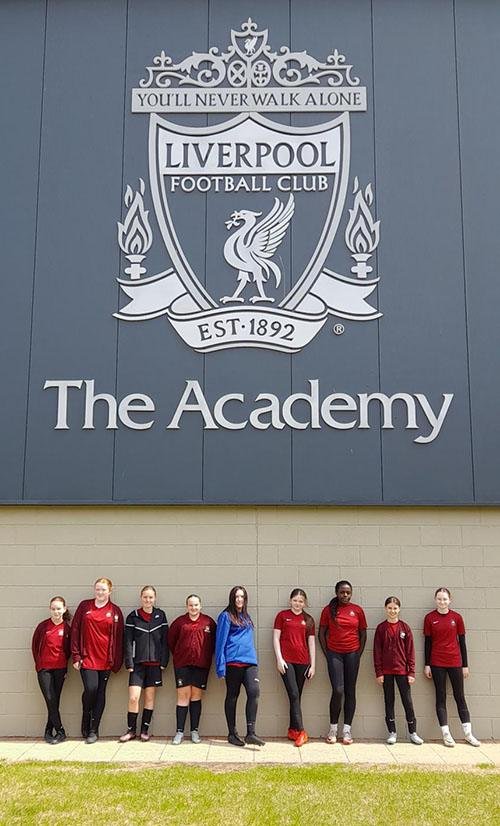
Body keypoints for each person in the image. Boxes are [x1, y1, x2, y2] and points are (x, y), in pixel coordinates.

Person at [424, 587, 481, 747]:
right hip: (437, 663)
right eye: (439, 599)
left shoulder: (457, 617)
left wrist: (465, 665)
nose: (442, 602)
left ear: (450, 600)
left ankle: (468, 734)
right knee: (440, 697)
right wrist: (427, 664)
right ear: (435, 600)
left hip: (455, 662)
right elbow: (427, 643)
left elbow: (462, 642)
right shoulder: (429, 618)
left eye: (444, 599)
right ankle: (446, 734)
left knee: (459, 696)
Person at [71, 577, 124, 744]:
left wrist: (117, 661)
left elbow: (120, 638)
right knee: (91, 688)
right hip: (87, 658)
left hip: (106, 660)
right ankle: (86, 716)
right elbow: (75, 630)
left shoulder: (115, 611)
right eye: (97, 589)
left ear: (110, 591)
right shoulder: (84, 606)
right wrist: (76, 655)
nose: (100, 592)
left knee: (100, 693)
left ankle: (94, 730)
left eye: (103, 589)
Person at [215, 585, 265, 747]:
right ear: (232, 598)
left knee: (254, 692)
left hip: (250, 662)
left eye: (242, 596)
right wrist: (220, 666)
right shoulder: (226, 616)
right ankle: (232, 733)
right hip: (233, 662)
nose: (239, 599)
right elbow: (220, 642)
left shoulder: (246, 617)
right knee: (232, 696)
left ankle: (251, 733)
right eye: (236, 596)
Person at [319, 580, 367, 745]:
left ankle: (347, 730)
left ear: (351, 593)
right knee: (338, 690)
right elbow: (321, 633)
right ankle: (333, 729)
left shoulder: (357, 610)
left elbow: (363, 634)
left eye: (348, 592)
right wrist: (328, 654)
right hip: (335, 654)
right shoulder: (328, 610)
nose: (345, 595)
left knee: (350, 691)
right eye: (342, 592)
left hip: (352, 654)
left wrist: (358, 654)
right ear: (337, 593)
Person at [120, 585, 169, 742]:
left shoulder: (160, 615)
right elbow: (127, 641)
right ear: (141, 598)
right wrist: (129, 662)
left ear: (155, 598)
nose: (148, 600)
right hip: (137, 665)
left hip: (155, 664)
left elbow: (165, 641)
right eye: (145, 597)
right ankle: (131, 731)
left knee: (149, 698)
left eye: (150, 597)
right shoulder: (133, 616)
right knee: (134, 698)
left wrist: (164, 661)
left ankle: (144, 731)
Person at [373, 596, 424, 745]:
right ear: (385, 609)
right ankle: (392, 732)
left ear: (399, 609)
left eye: (395, 608)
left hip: (402, 671)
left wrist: (411, 672)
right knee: (389, 701)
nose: (392, 611)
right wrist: (379, 672)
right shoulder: (381, 628)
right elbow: (377, 652)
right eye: (389, 608)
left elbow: (410, 651)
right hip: (386, 672)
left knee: (407, 701)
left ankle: (413, 732)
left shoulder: (405, 628)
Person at [168, 594, 216, 744]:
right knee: (183, 697)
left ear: (200, 606)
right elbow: (171, 641)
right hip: (182, 664)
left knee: (196, 696)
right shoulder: (179, 622)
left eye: (196, 605)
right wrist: (181, 655)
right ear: (186, 606)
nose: (193, 608)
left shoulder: (208, 622)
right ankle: (179, 732)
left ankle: (194, 731)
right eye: (190, 605)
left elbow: (215, 643)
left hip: (201, 665)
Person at [273, 588, 315, 747]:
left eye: (301, 601)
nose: (298, 604)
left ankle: (292, 730)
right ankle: (302, 732)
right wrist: (279, 659)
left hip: (303, 662)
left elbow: (311, 643)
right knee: (294, 694)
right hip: (287, 661)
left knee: (296, 697)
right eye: (295, 600)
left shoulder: (308, 619)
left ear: (305, 603)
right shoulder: (282, 616)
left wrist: (313, 665)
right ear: (290, 601)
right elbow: (276, 638)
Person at [31, 596, 71, 744]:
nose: (56, 612)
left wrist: (65, 667)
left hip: (60, 669)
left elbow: (69, 650)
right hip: (44, 669)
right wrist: (39, 665)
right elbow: (35, 646)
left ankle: (48, 730)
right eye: (53, 609)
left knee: (54, 701)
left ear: (64, 609)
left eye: (59, 609)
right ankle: (60, 730)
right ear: (50, 609)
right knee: (50, 698)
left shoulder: (67, 629)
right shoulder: (43, 627)